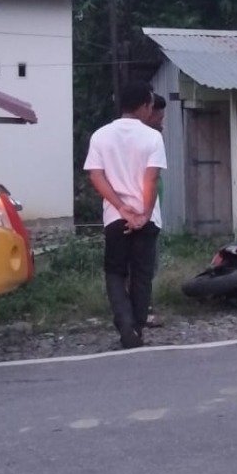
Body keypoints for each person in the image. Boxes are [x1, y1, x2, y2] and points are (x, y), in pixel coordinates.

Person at [84, 81, 167, 348]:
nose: (151, 110)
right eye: (150, 105)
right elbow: (151, 179)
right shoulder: (152, 137)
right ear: (143, 106)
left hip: (115, 217)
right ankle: (137, 328)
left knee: (115, 272)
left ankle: (125, 324)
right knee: (142, 275)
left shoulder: (100, 136)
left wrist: (121, 208)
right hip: (146, 218)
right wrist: (143, 214)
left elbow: (96, 176)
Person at [142, 94, 167, 330]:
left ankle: (140, 307)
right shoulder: (148, 140)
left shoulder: (154, 138)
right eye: (159, 116)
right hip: (142, 211)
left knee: (149, 263)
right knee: (144, 263)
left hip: (152, 211)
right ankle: (144, 309)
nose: (162, 122)